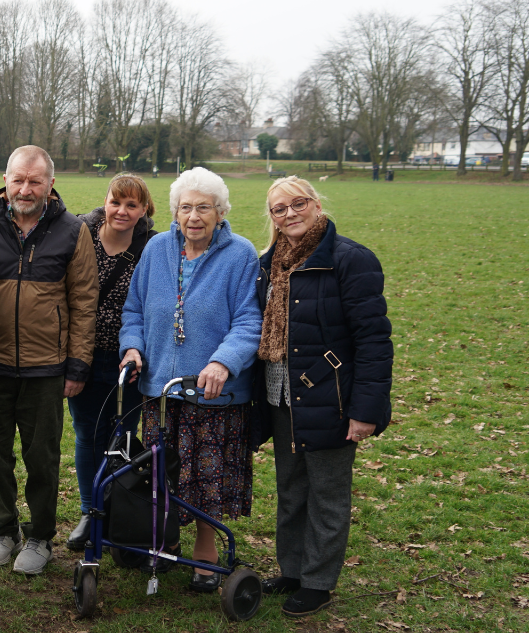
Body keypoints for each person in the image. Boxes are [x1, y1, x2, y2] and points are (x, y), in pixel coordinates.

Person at [252, 176, 392, 617]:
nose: (289, 214)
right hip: (279, 394)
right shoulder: (268, 262)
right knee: (291, 490)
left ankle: (318, 582)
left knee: (328, 494)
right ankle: (292, 570)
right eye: (279, 209)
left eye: (297, 204)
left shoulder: (350, 260)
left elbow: (373, 341)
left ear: (315, 204)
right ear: (271, 217)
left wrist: (365, 410)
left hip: (328, 398)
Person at [119, 167, 261, 592]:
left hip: (211, 392)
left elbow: (250, 319)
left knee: (204, 477)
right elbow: (134, 310)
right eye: (186, 207)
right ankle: (162, 543)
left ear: (220, 212)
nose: (194, 216)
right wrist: (132, 347)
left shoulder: (240, 254)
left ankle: (204, 552)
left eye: (204, 207)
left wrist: (223, 362)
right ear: (174, 212)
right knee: (161, 473)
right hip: (159, 389)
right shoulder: (157, 249)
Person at [0, 145, 99, 576]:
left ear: (50, 184)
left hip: (47, 367)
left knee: (42, 457)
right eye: (18, 179)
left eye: (35, 180)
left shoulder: (73, 231)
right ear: (5, 180)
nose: (26, 188)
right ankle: (4, 530)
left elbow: (84, 302)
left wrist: (78, 365)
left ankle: (39, 537)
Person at [65, 173, 158, 551]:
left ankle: (116, 511)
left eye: (131, 205)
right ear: (105, 202)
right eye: (115, 201)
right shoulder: (80, 235)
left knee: (120, 437)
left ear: (144, 210)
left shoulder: (153, 247)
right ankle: (91, 512)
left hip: (130, 358)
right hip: (83, 354)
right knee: (88, 434)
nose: (121, 210)